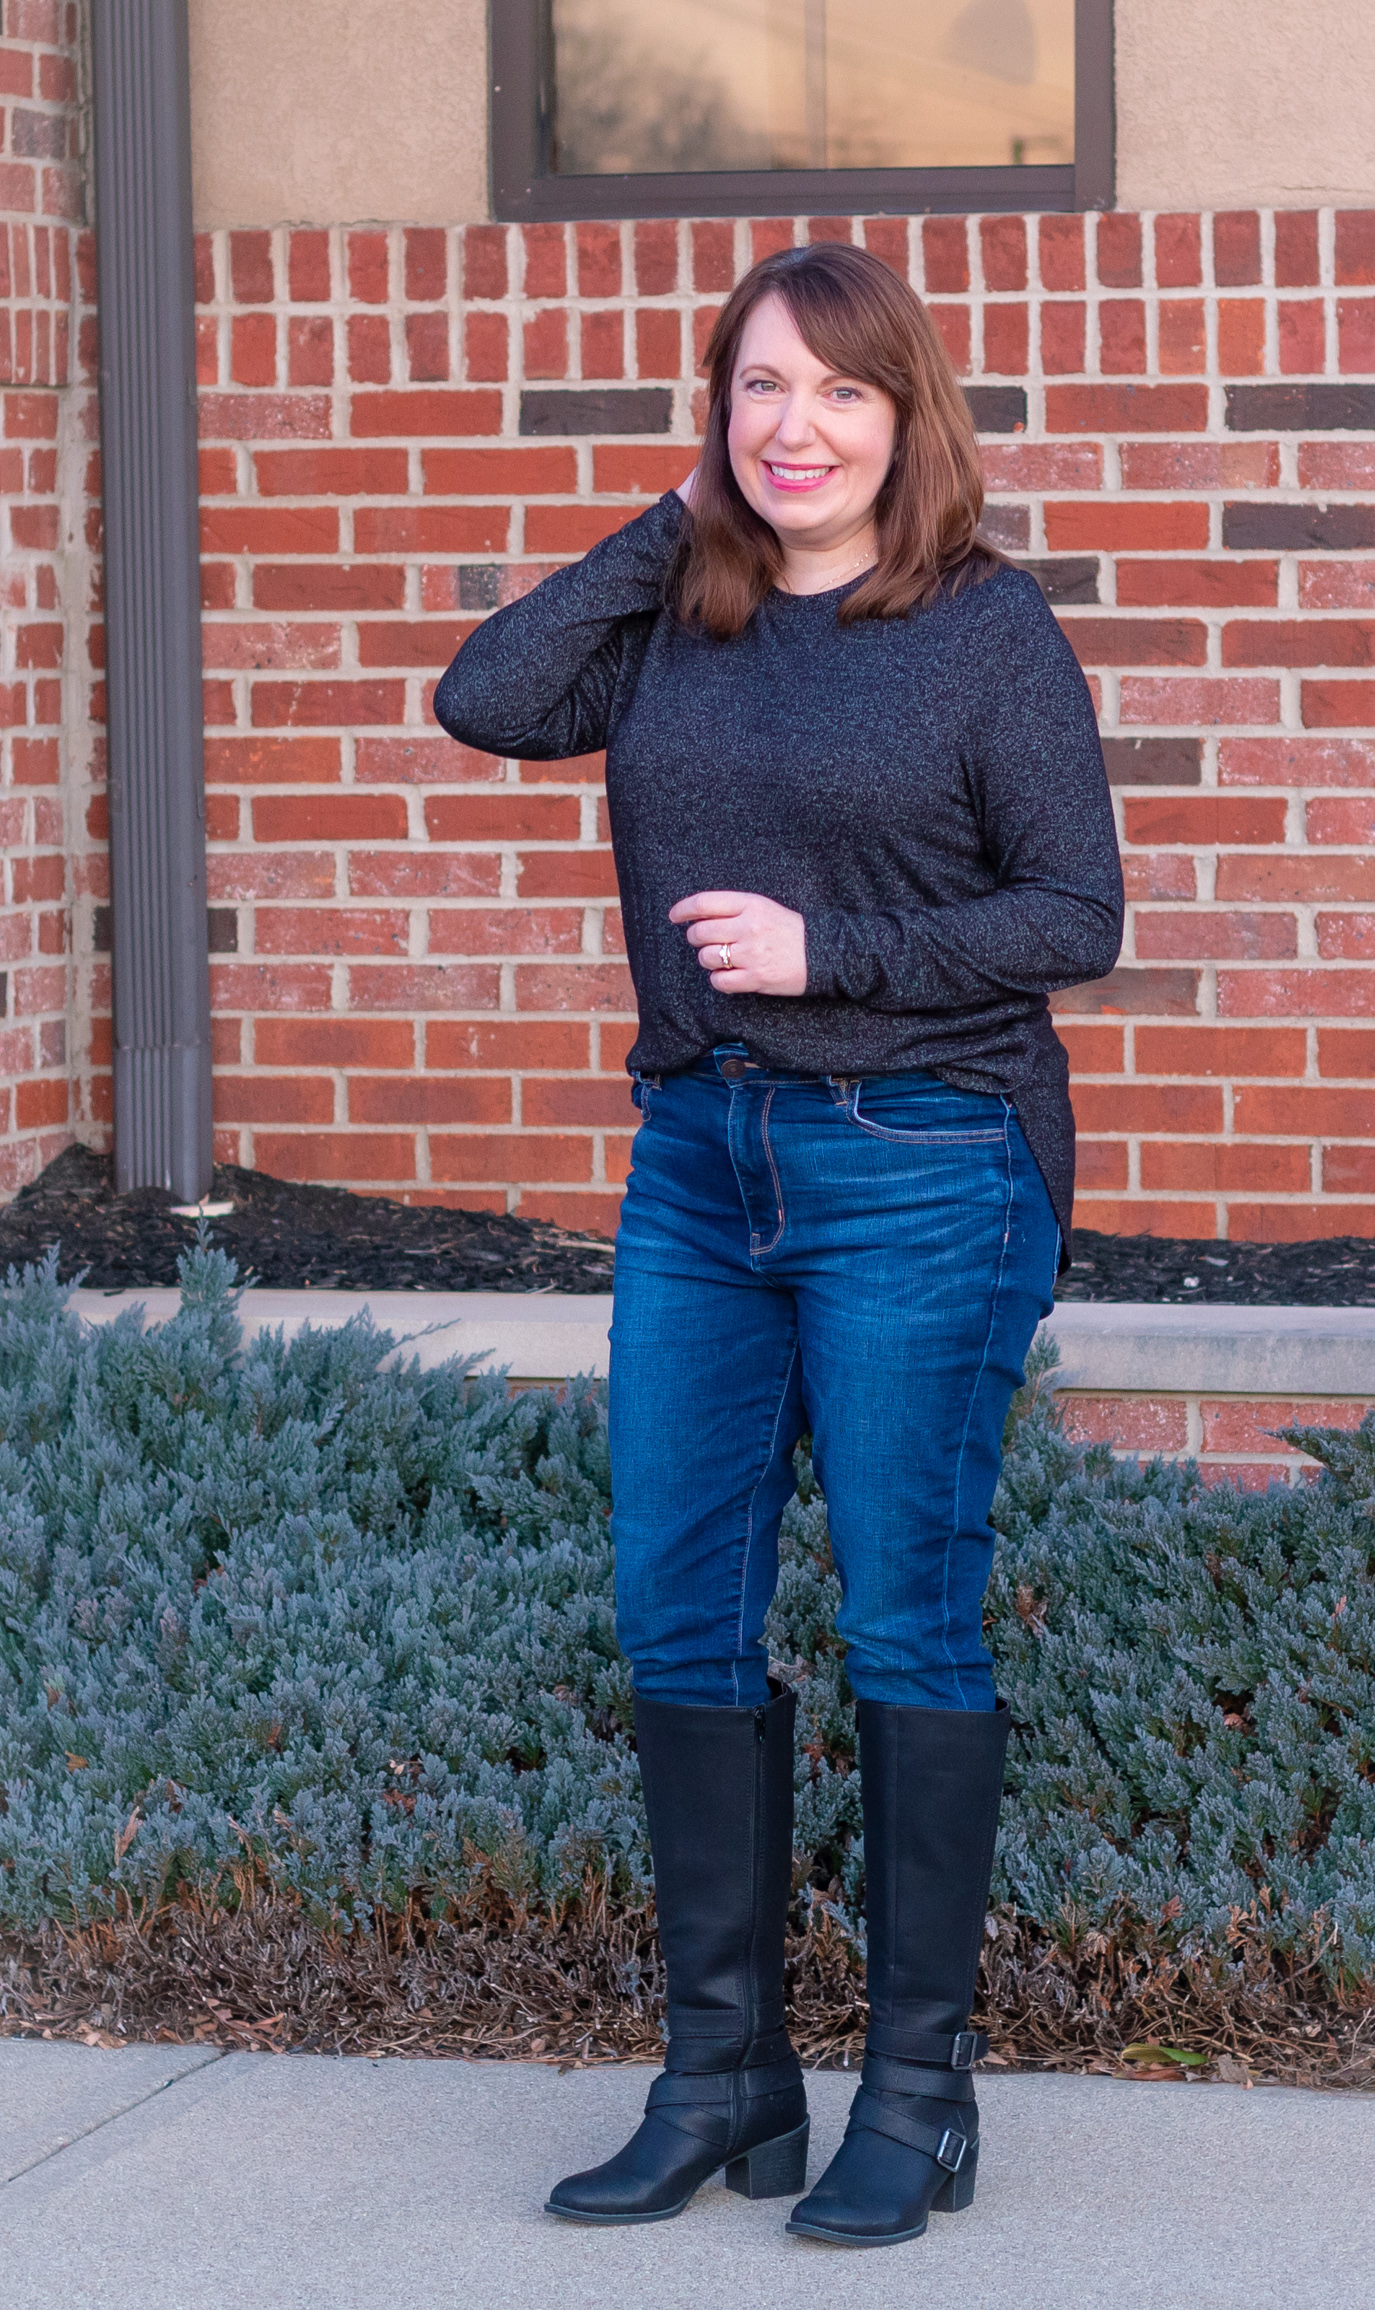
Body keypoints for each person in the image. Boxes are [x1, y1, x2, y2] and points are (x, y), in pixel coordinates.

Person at [434, 240, 1122, 2250]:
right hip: (699, 1167)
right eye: (753, 391)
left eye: (834, 393)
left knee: (904, 1617)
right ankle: (720, 2074)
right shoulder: (686, 612)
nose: (790, 429)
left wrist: (840, 956)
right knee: (675, 1614)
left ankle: (916, 2099)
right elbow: (488, 694)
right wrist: (673, 520)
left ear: (905, 418)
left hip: (921, 1155)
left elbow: (1070, 911)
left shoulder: (985, 634)